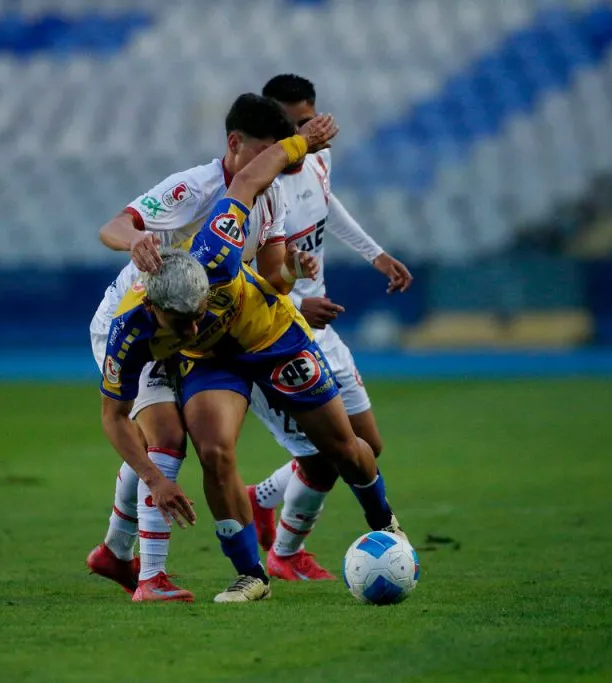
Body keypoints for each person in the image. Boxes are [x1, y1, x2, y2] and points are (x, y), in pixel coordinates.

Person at [101, 117, 409, 603]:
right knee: (214, 453)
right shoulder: (128, 331)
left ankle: (384, 522)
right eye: (182, 324)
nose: (193, 328)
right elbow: (113, 416)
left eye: (199, 314)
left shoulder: (218, 248)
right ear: (155, 310)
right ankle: (252, 574)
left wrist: (300, 143)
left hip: (273, 337)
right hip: (211, 362)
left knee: (343, 449)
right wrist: (156, 480)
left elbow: (246, 180)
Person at [86, 94, 318, 602]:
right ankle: (151, 579)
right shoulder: (195, 188)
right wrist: (134, 241)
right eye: (265, 153)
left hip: (191, 334)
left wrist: (293, 271)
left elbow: (271, 280)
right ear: (234, 143)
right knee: (166, 439)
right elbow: (113, 227)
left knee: (164, 443)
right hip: (137, 326)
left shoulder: (271, 196)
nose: (272, 166)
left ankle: (115, 551)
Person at [246, 74, 414, 581]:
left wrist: (375, 254)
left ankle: (264, 497)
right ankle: (286, 553)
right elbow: (236, 274)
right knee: (325, 457)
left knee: (367, 449)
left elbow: (325, 201)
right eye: (292, 127)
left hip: (320, 329)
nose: (306, 135)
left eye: (309, 122)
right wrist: (298, 305)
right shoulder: (256, 188)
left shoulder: (319, 158)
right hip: (274, 336)